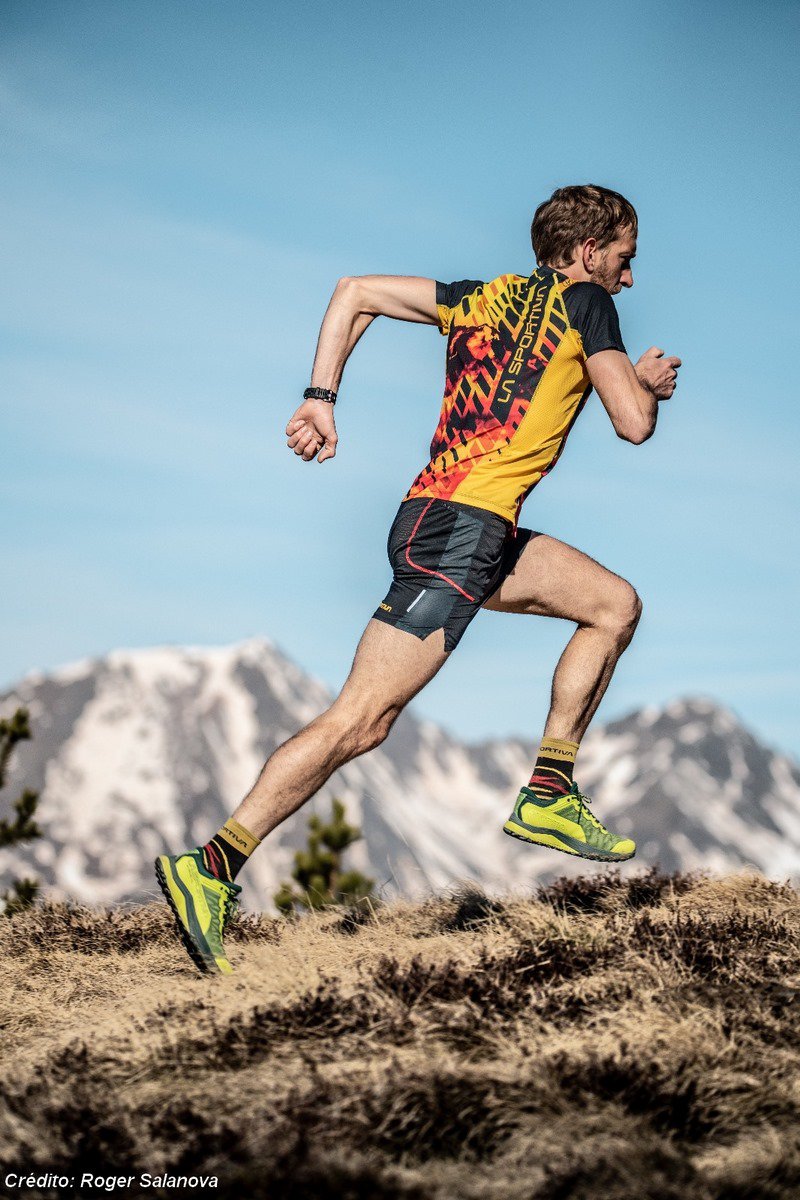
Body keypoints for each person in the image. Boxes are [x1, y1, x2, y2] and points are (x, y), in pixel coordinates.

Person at [155, 184, 681, 974]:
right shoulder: (588, 305)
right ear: (588, 250)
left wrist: (320, 398)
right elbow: (632, 423)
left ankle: (548, 789)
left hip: (453, 520)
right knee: (360, 721)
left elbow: (352, 292)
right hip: (460, 535)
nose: (629, 278)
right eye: (625, 259)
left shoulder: (479, 298)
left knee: (613, 604)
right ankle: (211, 866)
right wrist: (646, 385)